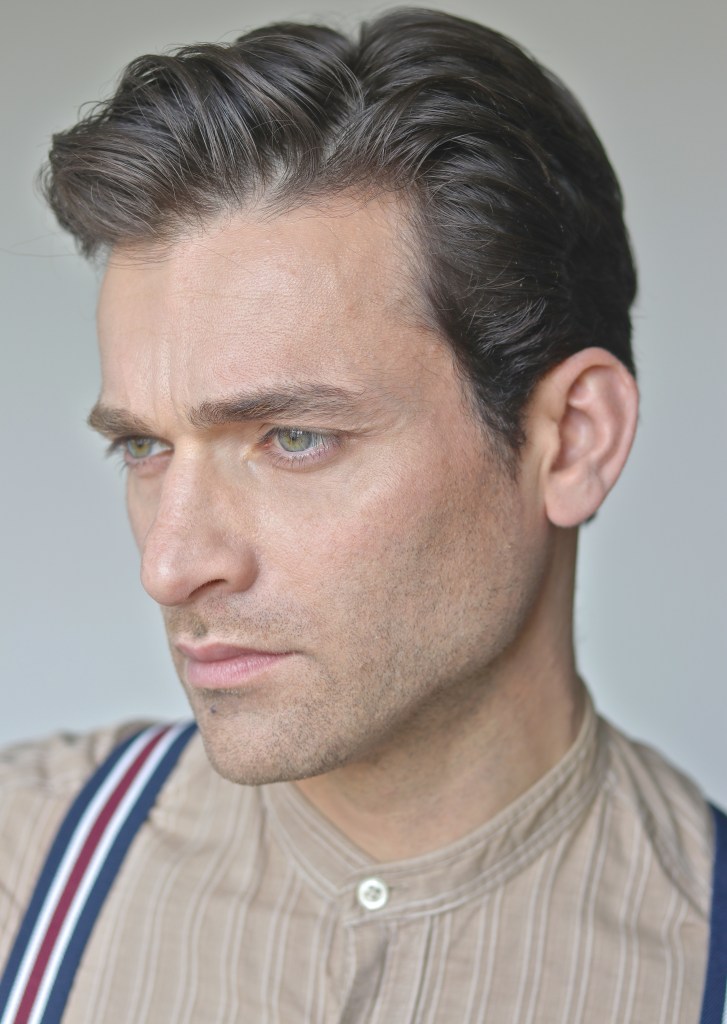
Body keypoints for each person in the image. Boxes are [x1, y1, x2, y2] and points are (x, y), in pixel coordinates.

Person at [0, 8, 723, 1023]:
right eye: (144, 447)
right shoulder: (24, 871)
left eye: (293, 437)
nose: (170, 566)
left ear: (572, 441)